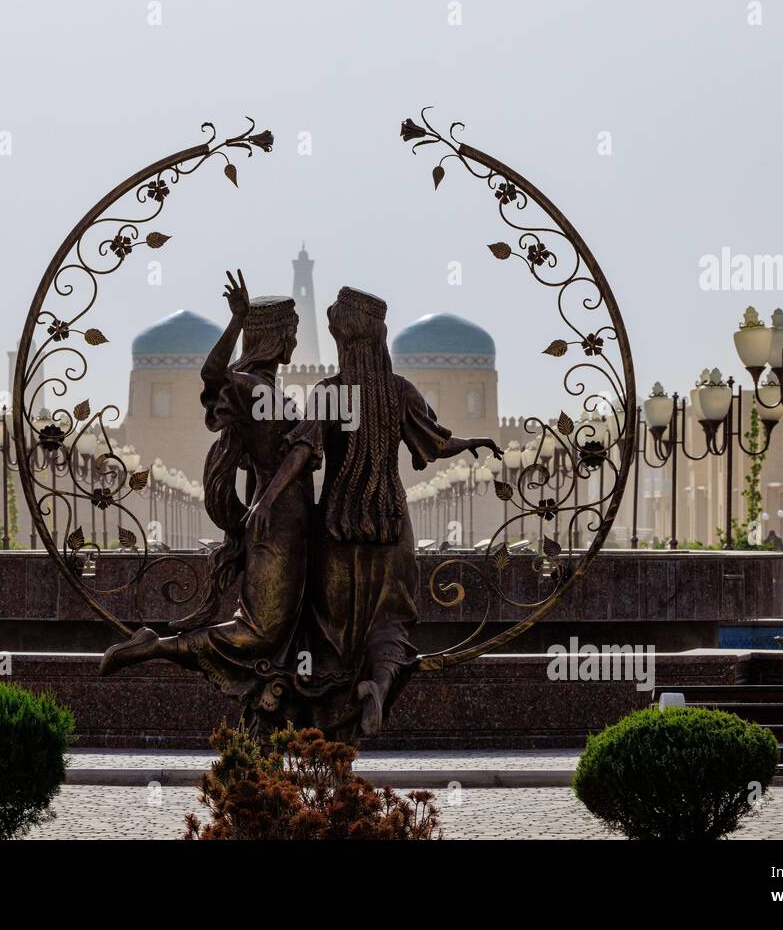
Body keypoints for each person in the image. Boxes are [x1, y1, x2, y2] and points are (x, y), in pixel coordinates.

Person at [244, 287, 502, 737]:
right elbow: (437, 443)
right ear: (379, 338)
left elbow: (302, 452)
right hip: (389, 526)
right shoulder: (399, 391)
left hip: (336, 528)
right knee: (392, 622)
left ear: (343, 339)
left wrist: (267, 498)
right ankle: (378, 686)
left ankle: (324, 734)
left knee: (328, 633)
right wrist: (471, 443)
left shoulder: (329, 393)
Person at [99, 272, 327, 727]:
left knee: (287, 625)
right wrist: (236, 321)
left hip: (293, 521)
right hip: (276, 521)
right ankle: (154, 646)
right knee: (261, 632)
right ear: (275, 337)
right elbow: (213, 375)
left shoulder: (272, 390)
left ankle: (278, 703)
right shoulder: (251, 387)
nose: (295, 344)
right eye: (292, 334)